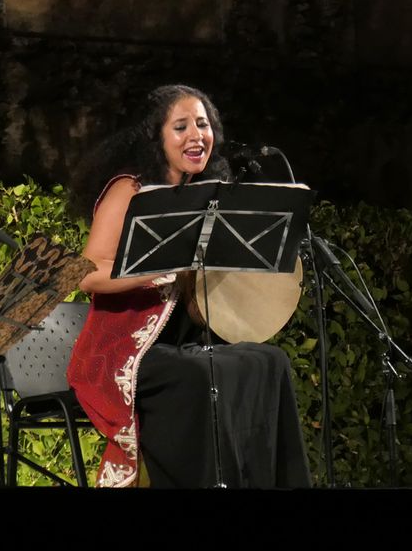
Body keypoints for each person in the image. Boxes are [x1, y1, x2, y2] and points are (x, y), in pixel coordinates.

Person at [66, 84, 312, 488]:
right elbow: (87, 274)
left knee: (270, 363)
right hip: (123, 351)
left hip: (190, 340)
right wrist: (158, 266)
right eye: (180, 127)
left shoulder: (211, 195)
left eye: (203, 124)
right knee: (199, 376)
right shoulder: (128, 190)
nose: (196, 135)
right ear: (155, 137)